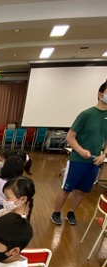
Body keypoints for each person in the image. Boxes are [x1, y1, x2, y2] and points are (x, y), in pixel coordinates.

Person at [51, 81, 107, 226]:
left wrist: (103, 155)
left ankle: (71, 213)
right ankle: (56, 213)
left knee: (81, 191)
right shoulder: (86, 114)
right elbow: (70, 136)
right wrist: (81, 150)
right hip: (77, 160)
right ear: (100, 95)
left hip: (94, 163)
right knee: (66, 189)